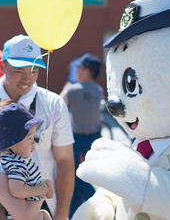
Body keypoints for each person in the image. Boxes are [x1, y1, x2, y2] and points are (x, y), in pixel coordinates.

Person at [0, 34, 75, 220]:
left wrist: (62, 214)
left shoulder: (54, 104)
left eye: (34, 70)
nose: (27, 78)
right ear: (2, 66)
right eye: (19, 70)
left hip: (42, 203)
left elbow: (65, 161)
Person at [0, 103, 54, 219]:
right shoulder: (16, 162)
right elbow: (17, 190)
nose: (33, 142)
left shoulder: (11, 160)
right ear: (12, 143)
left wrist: (44, 183)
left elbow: (25, 181)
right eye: (29, 138)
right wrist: (41, 190)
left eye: (33, 137)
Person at [60, 53, 105, 219]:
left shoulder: (73, 90)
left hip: (77, 141)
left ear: (86, 71)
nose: (77, 71)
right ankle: (74, 214)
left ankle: (98, 205)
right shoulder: (98, 90)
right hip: (93, 138)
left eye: (79, 68)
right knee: (78, 179)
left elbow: (59, 104)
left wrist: (66, 88)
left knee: (77, 178)